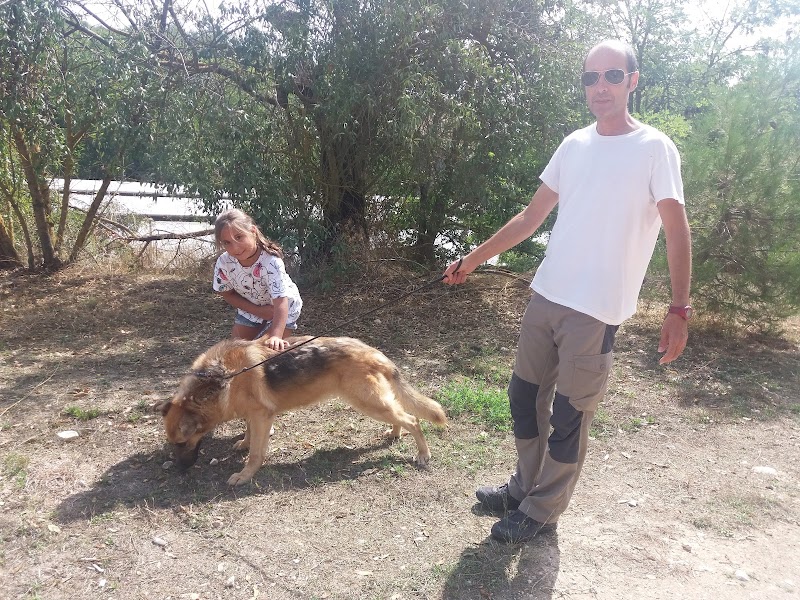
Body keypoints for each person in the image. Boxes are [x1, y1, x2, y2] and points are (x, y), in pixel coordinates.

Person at [442, 39, 692, 544]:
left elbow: (676, 228)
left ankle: (542, 510)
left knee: (569, 416)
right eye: (590, 77)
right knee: (523, 396)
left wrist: (679, 308)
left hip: (595, 310)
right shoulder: (574, 144)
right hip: (547, 294)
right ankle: (523, 487)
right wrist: (473, 259)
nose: (600, 86)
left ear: (632, 81)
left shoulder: (654, 148)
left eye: (612, 76)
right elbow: (531, 217)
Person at [213, 209, 303, 350]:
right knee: (237, 351)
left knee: (266, 352)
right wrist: (257, 310)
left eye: (239, 237)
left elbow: (281, 302)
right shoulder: (224, 262)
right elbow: (226, 293)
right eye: (227, 242)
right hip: (251, 309)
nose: (235, 248)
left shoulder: (271, 262)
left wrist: (276, 336)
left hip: (282, 309)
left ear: (253, 231)